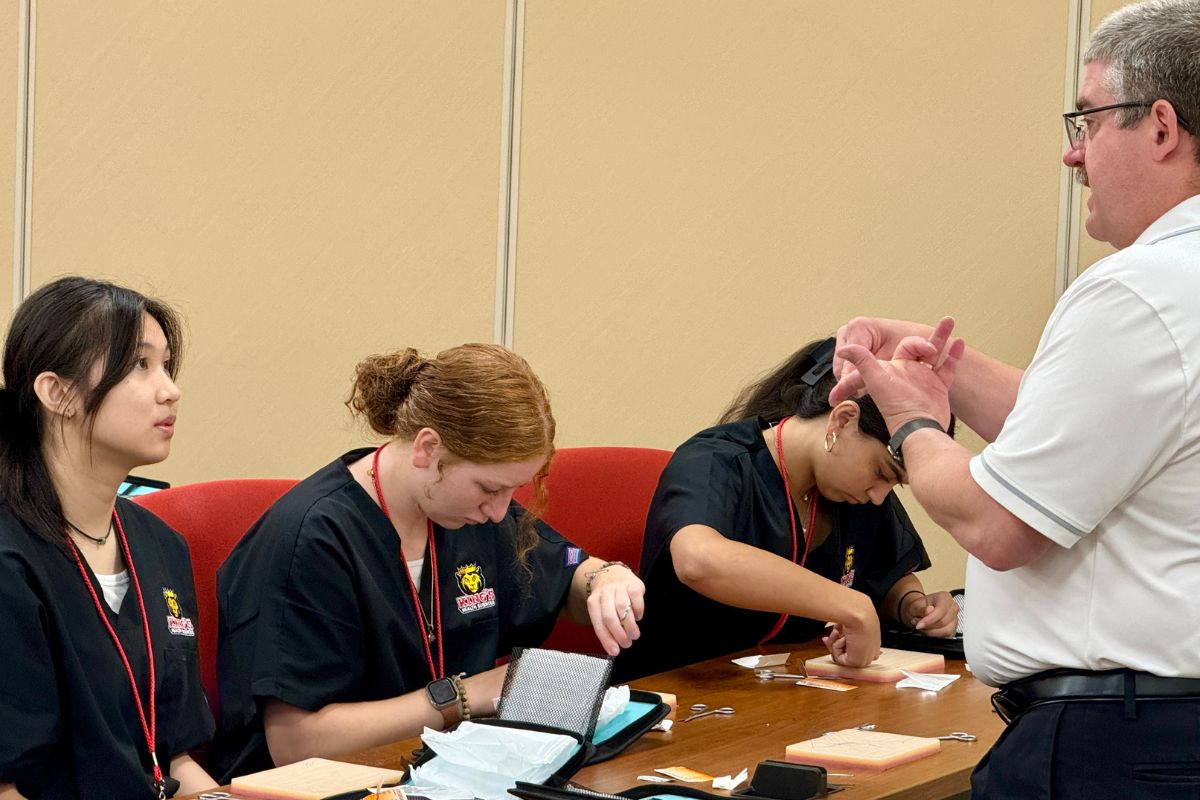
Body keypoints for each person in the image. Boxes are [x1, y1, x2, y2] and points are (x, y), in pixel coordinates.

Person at [830, 1, 1200, 796]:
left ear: (1162, 126)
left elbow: (999, 525)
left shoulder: (1140, 291)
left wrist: (914, 420)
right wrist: (942, 370)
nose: (1073, 155)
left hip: (1119, 746)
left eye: (1090, 121)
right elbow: (1091, 438)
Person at [213, 343, 646, 782]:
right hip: (323, 784)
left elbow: (567, 574)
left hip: (450, 771)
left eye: (511, 492)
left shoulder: (465, 511)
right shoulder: (313, 537)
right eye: (488, 488)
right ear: (427, 448)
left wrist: (605, 578)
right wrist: (464, 695)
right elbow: (295, 744)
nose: (499, 512)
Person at [612, 338, 957, 683]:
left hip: (784, 692)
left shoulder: (853, 491)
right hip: (672, 689)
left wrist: (912, 606)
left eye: (894, 485)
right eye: (883, 473)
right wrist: (850, 606)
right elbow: (698, 560)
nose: (880, 496)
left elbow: (886, 575)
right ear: (843, 420)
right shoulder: (716, 461)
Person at [0, 277, 216, 799]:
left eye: (167, 365)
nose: (171, 389)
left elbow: (172, 758)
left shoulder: (159, 544)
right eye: (140, 365)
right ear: (58, 393)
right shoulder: (10, 559)